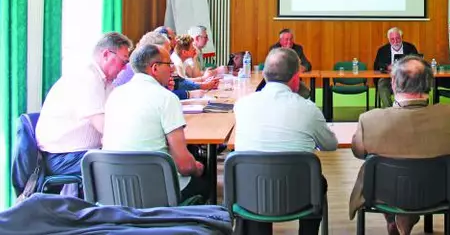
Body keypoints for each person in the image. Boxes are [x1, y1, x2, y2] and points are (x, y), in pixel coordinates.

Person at [349, 56, 450, 235]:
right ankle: (404, 221)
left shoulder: (370, 120)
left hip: (385, 194)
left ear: (394, 83)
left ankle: (394, 219)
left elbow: (358, 151)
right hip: (438, 192)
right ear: (430, 83)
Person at [234, 47, 337, 235]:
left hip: (252, 194)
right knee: (318, 182)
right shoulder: (308, 109)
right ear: (296, 77)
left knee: (256, 181)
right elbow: (330, 145)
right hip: (299, 194)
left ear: (264, 75)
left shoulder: (242, 105)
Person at [103, 44, 208, 202]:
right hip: (156, 190)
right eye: (169, 64)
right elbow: (185, 166)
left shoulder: (115, 95)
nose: (172, 69)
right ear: (155, 68)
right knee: (205, 180)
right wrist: (197, 168)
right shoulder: (166, 97)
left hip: (115, 189)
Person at [36, 32, 132, 181]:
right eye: (123, 62)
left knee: (131, 156)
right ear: (106, 54)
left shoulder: (106, 82)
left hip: (78, 153)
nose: (125, 68)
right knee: (126, 162)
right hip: (62, 157)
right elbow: (103, 126)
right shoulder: (87, 78)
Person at [373, 27, 419, 109]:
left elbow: (418, 62)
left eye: (397, 38)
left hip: (407, 79)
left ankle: (408, 110)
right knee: (382, 84)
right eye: (392, 39)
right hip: (388, 79)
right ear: (389, 39)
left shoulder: (410, 48)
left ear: (402, 37)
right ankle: (390, 110)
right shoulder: (383, 50)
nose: (395, 42)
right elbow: (377, 65)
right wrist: (387, 67)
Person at [268, 28, 312, 98]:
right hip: (278, 82)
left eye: (291, 39)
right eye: (286, 39)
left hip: (294, 82)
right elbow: (272, 67)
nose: (289, 41)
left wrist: (304, 68)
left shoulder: (298, 48)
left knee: (306, 92)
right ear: (280, 41)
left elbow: (308, 64)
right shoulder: (274, 49)